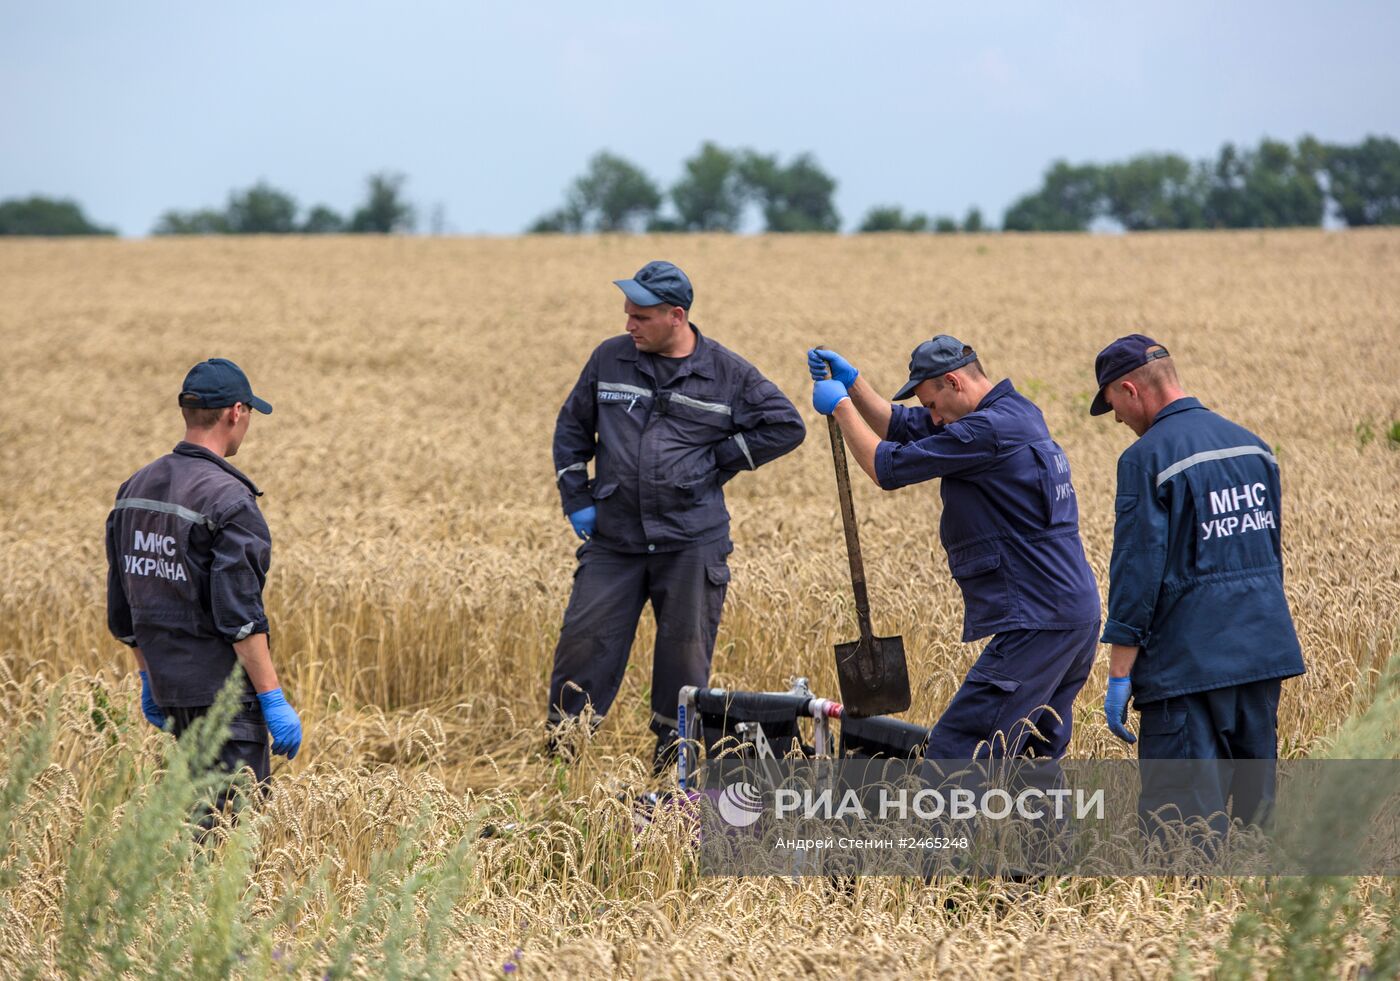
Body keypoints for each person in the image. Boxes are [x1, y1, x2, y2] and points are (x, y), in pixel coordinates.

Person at [550, 261, 805, 771]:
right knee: (583, 646)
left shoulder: (727, 373)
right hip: (614, 539)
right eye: (627, 314)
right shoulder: (610, 359)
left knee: (683, 663)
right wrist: (577, 496)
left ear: (676, 315)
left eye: (640, 317)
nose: (629, 325)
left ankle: (672, 766)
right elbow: (572, 429)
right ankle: (564, 758)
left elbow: (786, 426)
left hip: (691, 541)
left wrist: (714, 461)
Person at [808, 337, 1101, 761]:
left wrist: (841, 407)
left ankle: (944, 831)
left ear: (953, 381)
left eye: (931, 403)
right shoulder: (1012, 412)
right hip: (1070, 616)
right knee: (1028, 759)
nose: (933, 417)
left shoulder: (988, 431)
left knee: (959, 753)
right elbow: (901, 427)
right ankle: (1038, 832)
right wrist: (854, 385)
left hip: (1039, 620)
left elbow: (885, 467)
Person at [1092, 334, 1305, 832]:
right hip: (1261, 658)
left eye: (1114, 406)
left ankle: (1187, 912)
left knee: (1182, 831)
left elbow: (1136, 572)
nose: (1118, 420)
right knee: (1257, 826)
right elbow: (1266, 556)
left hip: (1188, 670)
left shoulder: (1146, 459)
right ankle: (1259, 911)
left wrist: (1119, 674)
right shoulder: (1255, 447)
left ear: (1131, 390)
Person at [106, 358, 302, 812]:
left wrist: (149, 679)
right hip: (224, 702)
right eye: (250, 414)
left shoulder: (134, 489)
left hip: (173, 696)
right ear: (236, 412)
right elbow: (239, 617)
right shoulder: (230, 500)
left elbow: (124, 607)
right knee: (229, 845)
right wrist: (272, 699)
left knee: (190, 828)